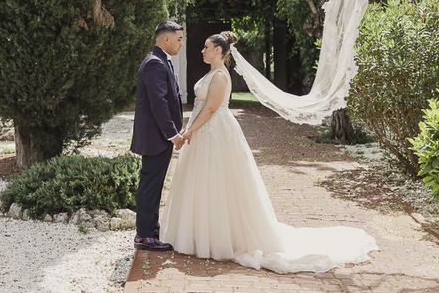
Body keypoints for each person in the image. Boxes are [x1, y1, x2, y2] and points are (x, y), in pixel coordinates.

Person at [160, 31, 379, 273]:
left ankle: (217, 238)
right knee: (202, 181)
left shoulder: (220, 76)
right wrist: (189, 128)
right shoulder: (212, 73)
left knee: (217, 181)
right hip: (204, 131)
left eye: (207, 47)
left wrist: (189, 131)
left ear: (219, 52)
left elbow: (211, 108)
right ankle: (197, 233)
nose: (202, 50)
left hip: (215, 133)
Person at [130, 21, 185, 251]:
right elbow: (158, 103)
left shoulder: (161, 60)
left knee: (154, 183)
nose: (181, 43)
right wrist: (172, 134)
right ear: (166, 39)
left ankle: (151, 229)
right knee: (150, 185)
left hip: (158, 137)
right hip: (156, 137)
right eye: (179, 39)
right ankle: (144, 235)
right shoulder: (154, 63)